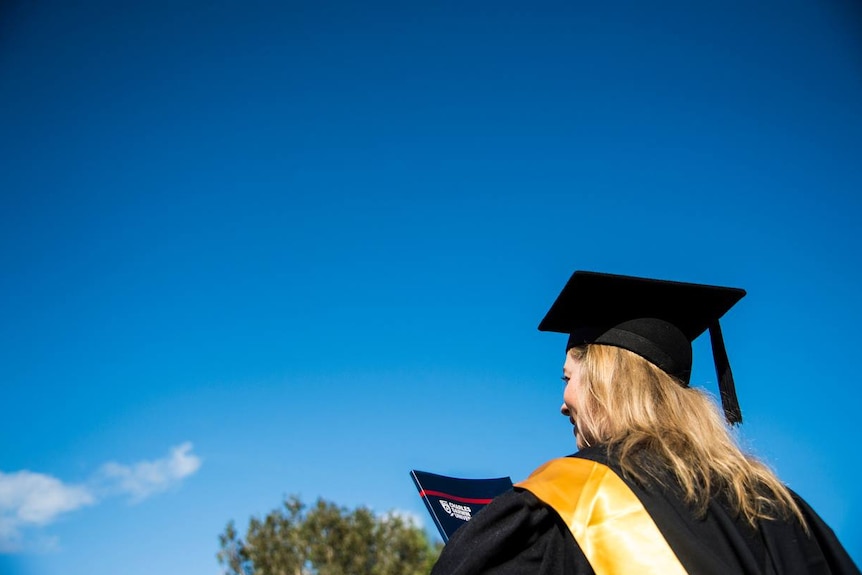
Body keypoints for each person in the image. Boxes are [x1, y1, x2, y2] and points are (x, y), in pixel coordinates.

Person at [431, 270, 859, 574]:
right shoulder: (785, 512)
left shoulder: (569, 506)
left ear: (604, 379)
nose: (563, 403)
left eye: (568, 378)